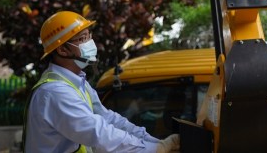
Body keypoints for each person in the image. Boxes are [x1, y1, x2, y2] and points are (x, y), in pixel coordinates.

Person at [24, 10, 180, 153]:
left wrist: (155, 143)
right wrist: (154, 149)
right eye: (82, 38)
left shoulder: (77, 82)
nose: (89, 43)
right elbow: (100, 134)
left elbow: (109, 119)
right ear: (62, 50)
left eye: (89, 35)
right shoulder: (55, 92)